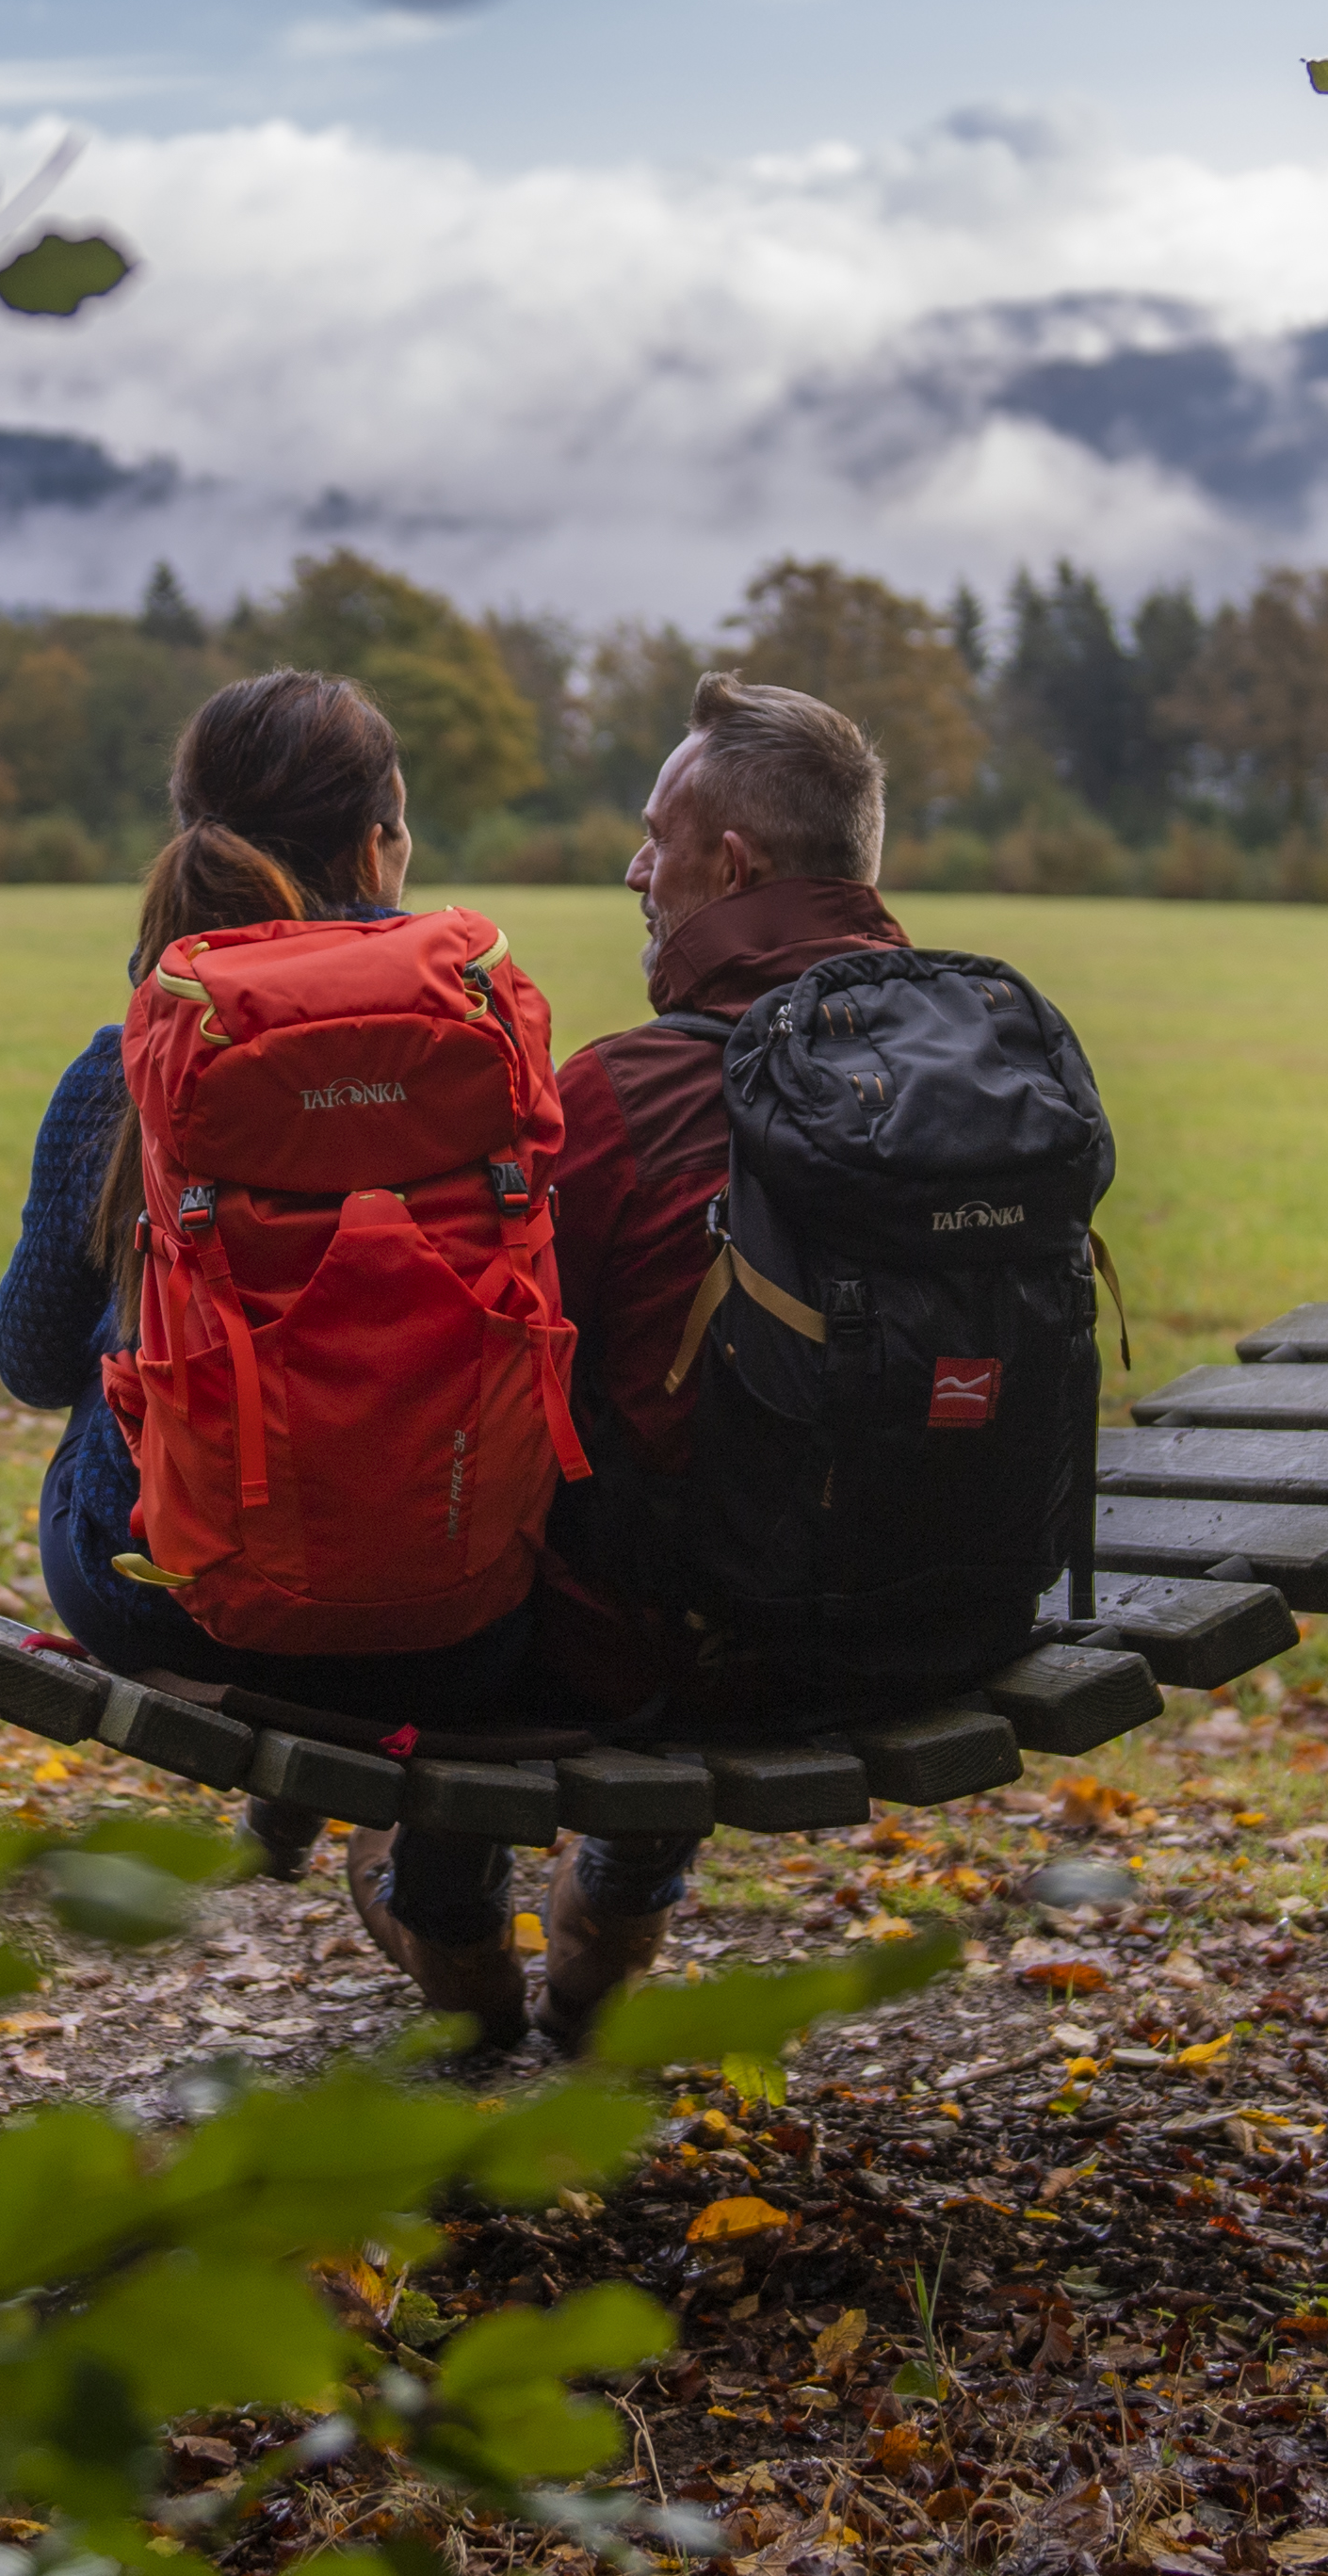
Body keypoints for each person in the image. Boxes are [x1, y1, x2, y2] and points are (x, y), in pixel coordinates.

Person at [0, 670, 557, 2049]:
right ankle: (429, 1866)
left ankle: (289, 1728)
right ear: (382, 842)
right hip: (471, 1606)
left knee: (107, 1409)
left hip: (181, 1601)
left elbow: (27, 1356)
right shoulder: (482, 1040)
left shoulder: (123, 1065)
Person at [522, 670, 918, 2047]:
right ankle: (609, 1919)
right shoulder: (976, 1062)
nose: (636, 868)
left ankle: (434, 1886)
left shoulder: (624, 1093)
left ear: (728, 863)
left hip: (682, 1658)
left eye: (655, 837)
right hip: (936, 1620)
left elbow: (506, 1385)